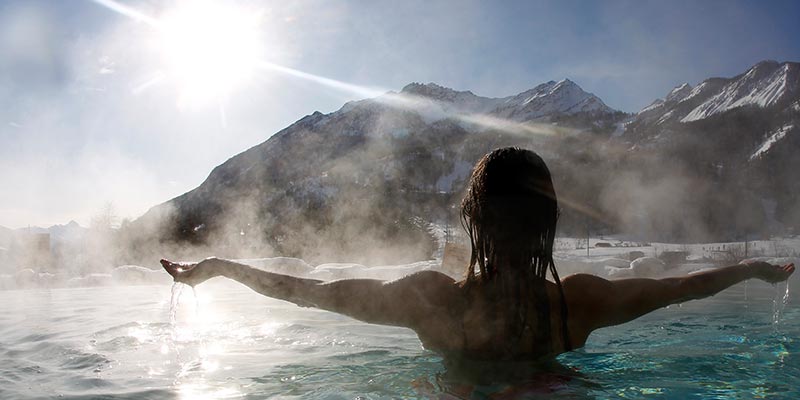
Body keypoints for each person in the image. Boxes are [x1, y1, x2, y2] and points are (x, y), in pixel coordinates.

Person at [161, 147, 794, 361]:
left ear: (471, 220)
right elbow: (683, 288)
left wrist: (219, 268)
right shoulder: (581, 303)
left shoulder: (430, 303)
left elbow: (311, 293)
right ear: (548, 223)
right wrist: (757, 270)